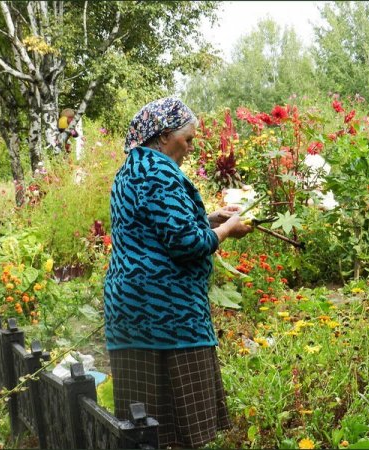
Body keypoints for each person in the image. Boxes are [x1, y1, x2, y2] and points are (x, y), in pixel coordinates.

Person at [103, 97, 253, 449]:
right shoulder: (161, 174)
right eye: (187, 139)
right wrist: (228, 228)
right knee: (180, 434)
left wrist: (207, 219)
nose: (190, 147)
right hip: (169, 319)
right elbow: (187, 245)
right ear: (165, 135)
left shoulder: (132, 169)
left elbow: (155, 229)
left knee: (143, 430)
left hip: (131, 316)